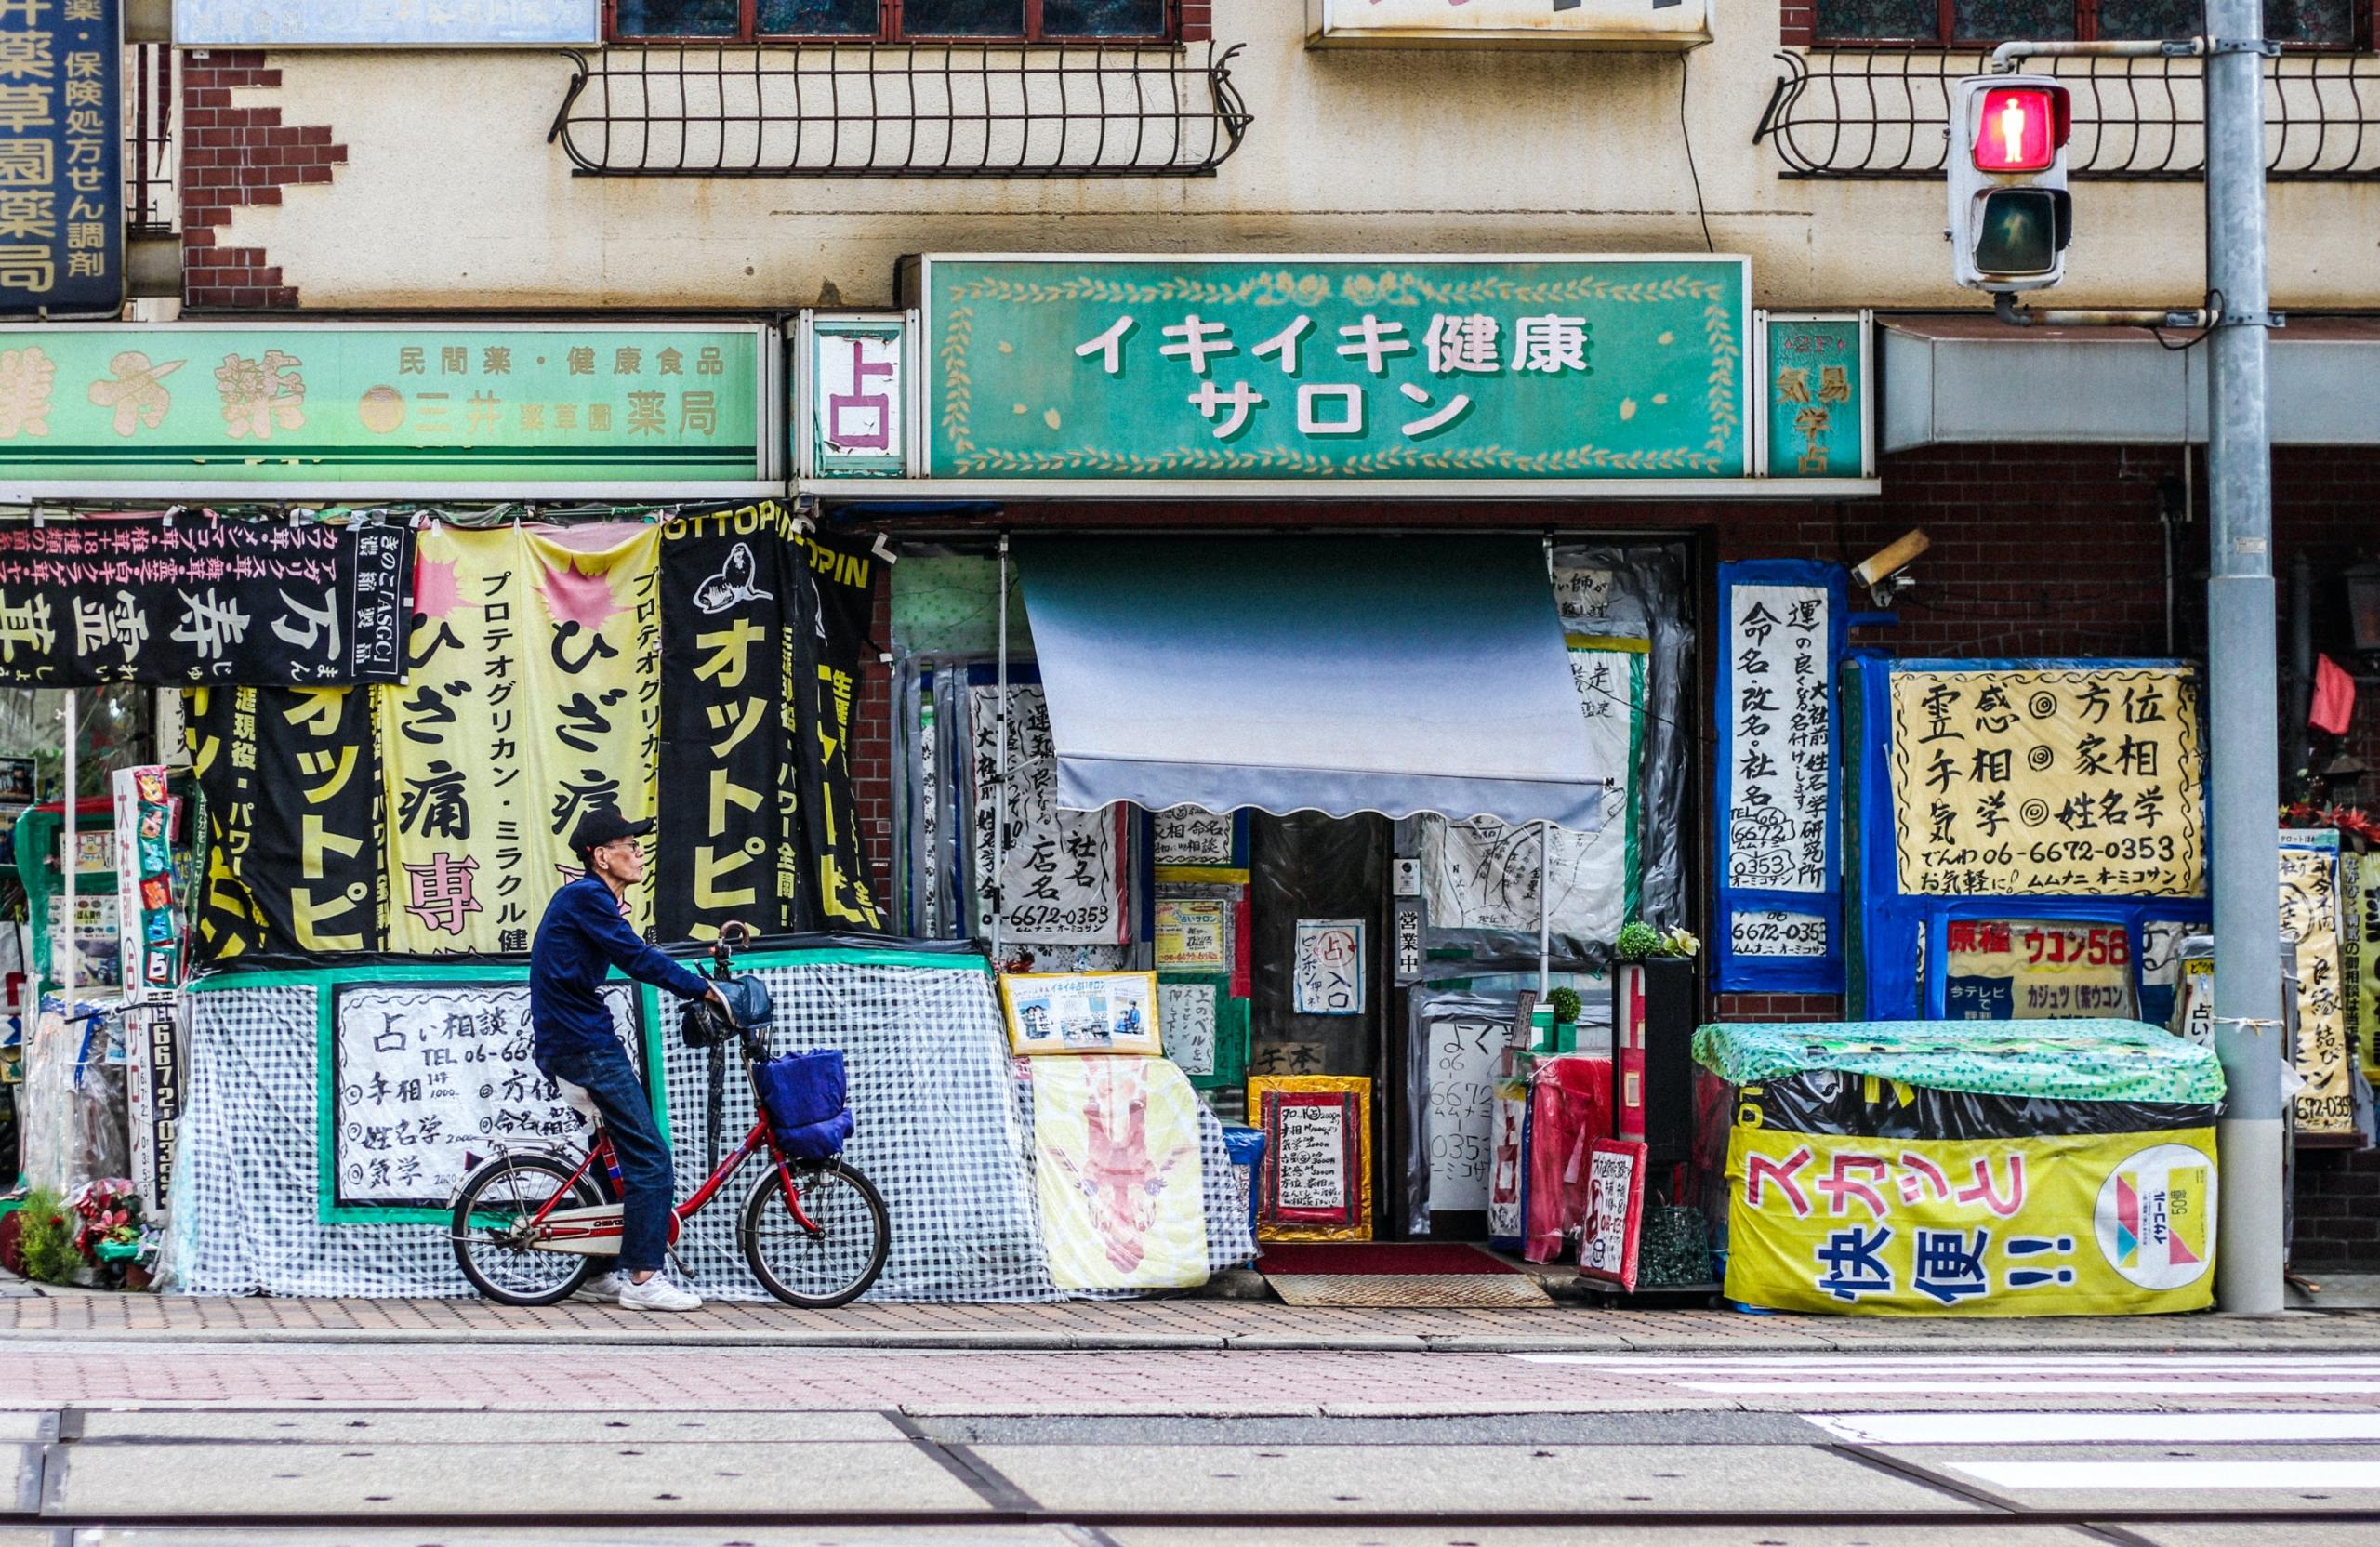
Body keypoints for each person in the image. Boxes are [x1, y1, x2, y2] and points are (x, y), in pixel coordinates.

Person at [532, 806, 725, 1313]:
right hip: (584, 1045)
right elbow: (636, 957)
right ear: (601, 856)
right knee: (649, 1156)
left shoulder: (593, 900)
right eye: (629, 846)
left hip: (576, 1040)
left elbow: (635, 950)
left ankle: (597, 1272)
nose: (639, 854)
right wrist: (704, 991)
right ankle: (643, 1277)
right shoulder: (586, 897)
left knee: (610, 1155)